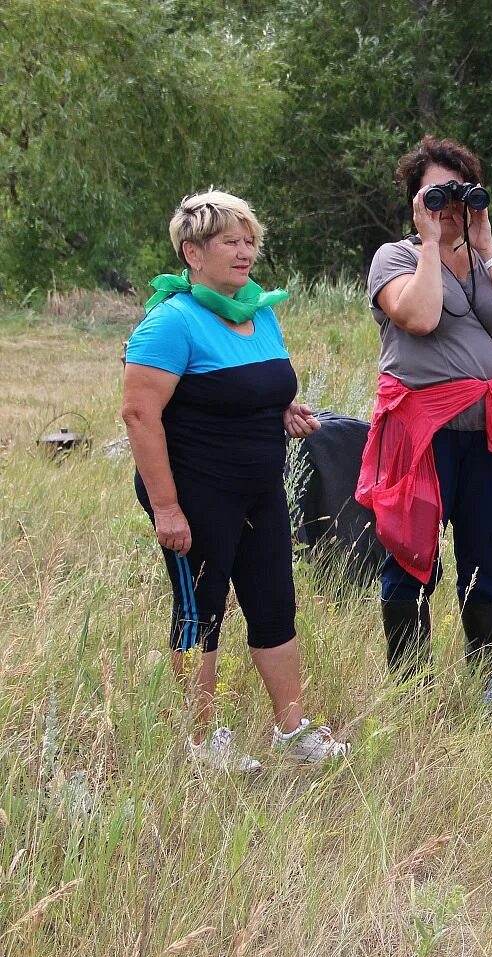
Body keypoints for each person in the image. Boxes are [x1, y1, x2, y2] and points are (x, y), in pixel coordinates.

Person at [121, 190, 349, 772]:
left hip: (260, 488)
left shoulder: (258, 311)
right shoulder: (170, 321)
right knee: (202, 612)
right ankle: (201, 748)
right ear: (192, 252)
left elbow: (253, 388)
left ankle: (293, 733)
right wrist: (168, 510)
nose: (245, 252)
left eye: (250, 241)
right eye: (231, 242)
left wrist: (282, 413)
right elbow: (140, 415)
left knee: (275, 605)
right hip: (194, 494)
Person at [356, 136, 492, 685]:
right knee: (411, 551)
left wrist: (485, 241)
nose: (448, 206)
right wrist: (431, 243)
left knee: (490, 553)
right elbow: (420, 316)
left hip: (490, 431)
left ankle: (486, 682)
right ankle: (410, 686)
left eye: (458, 194)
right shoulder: (396, 257)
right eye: (435, 194)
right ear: (413, 199)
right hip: (422, 432)